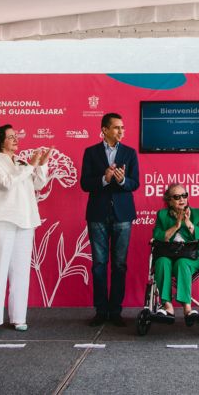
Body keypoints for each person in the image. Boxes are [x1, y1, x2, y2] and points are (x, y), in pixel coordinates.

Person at [0, 124, 51, 336]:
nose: (16, 139)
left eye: (16, 136)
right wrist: (29, 166)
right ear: (0, 141)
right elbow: (6, 183)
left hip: (25, 222)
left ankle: (18, 318)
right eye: (11, 137)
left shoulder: (20, 162)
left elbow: (38, 185)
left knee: (20, 274)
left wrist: (42, 165)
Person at [80, 112, 140, 327]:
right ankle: (100, 310)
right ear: (104, 129)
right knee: (99, 264)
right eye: (116, 127)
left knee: (120, 265)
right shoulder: (91, 152)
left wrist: (122, 180)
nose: (121, 131)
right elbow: (85, 184)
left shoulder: (130, 153)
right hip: (97, 214)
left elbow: (135, 183)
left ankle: (115, 311)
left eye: (122, 127)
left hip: (123, 215)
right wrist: (104, 179)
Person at [152, 183, 199, 326]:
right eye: (176, 197)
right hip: (168, 254)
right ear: (169, 201)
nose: (182, 199)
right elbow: (158, 236)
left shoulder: (198, 213)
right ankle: (168, 306)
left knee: (182, 263)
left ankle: (187, 308)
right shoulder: (162, 215)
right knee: (162, 261)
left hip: (192, 256)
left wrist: (188, 222)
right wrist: (176, 225)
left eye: (184, 195)